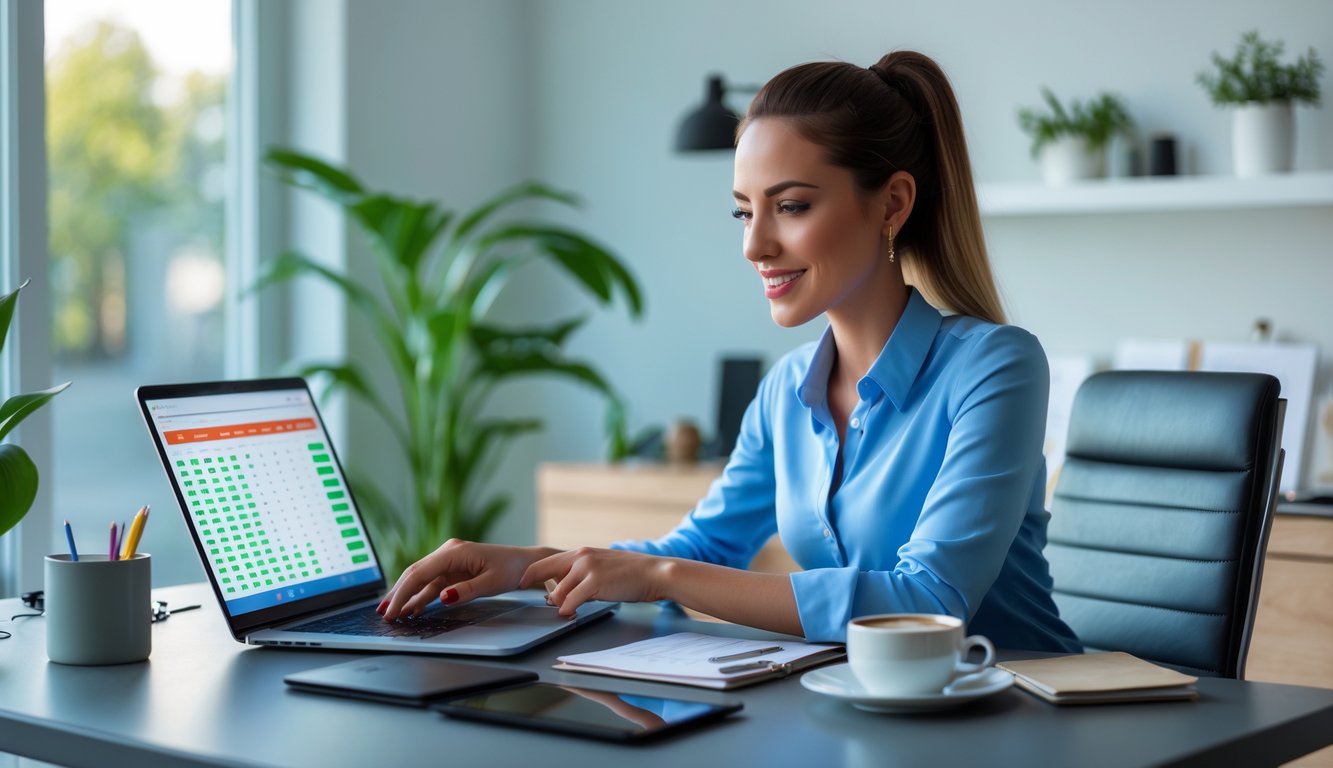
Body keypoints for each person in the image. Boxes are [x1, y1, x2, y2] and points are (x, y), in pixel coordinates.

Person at [380, 50, 1082, 653]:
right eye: (744, 212)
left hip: (1022, 711)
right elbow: (700, 551)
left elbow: (929, 600)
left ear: (892, 203)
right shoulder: (786, 391)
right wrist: (525, 565)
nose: (754, 245)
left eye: (792, 206)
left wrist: (661, 578)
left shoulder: (994, 366)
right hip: (870, 712)